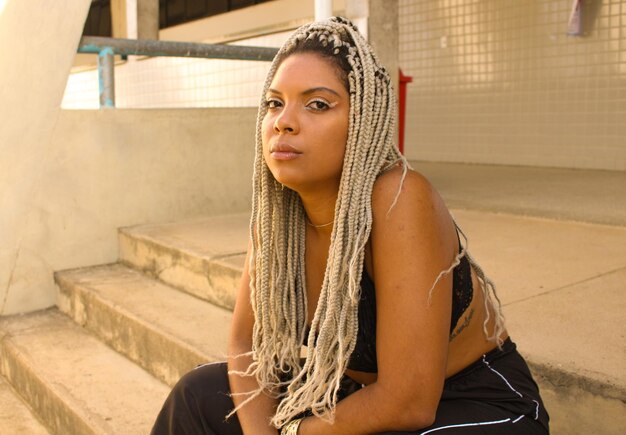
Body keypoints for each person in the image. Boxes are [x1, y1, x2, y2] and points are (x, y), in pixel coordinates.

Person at [151, 17, 549, 435]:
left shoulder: (398, 198)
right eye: (274, 103)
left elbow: (409, 401)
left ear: (363, 120)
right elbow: (246, 347)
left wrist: (294, 432)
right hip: (349, 393)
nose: (284, 121)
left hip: (468, 401)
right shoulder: (277, 217)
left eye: (317, 104)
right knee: (197, 395)